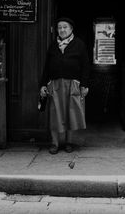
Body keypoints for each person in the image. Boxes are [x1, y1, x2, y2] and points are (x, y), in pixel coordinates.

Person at [40, 17, 90, 154]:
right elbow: (46, 67)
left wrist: (84, 85)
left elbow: (86, 66)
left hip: (73, 84)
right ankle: (54, 143)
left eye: (65, 27)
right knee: (55, 115)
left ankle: (69, 142)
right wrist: (43, 84)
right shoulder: (53, 45)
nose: (62, 30)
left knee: (71, 114)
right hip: (55, 85)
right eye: (59, 27)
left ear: (71, 29)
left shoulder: (79, 44)